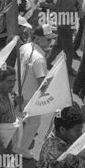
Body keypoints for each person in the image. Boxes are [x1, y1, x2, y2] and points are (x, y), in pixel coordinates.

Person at [15, 25, 57, 158]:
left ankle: (12, 141)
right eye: (47, 39)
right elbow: (42, 84)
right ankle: (21, 149)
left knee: (17, 118)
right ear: (37, 38)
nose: (51, 42)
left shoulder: (25, 47)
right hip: (30, 96)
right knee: (34, 123)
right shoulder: (39, 58)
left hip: (18, 89)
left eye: (51, 39)